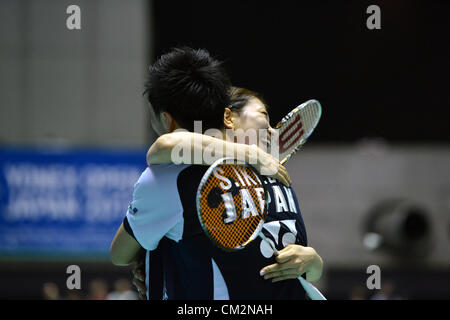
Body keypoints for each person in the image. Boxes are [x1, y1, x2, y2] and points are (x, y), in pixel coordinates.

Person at [110, 48, 323, 299]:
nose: (271, 129)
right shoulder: (270, 173)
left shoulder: (170, 179)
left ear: (166, 120)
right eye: (263, 114)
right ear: (227, 117)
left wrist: (313, 261)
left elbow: (119, 254)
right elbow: (166, 146)